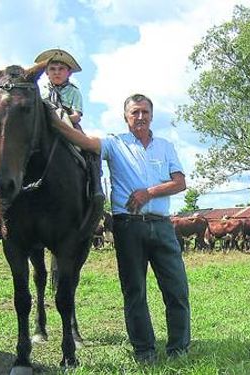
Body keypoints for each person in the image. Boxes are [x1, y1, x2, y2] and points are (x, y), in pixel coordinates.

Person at [49, 93, 190, 363]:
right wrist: (54, 121)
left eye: (145, 112)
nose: (140, 117)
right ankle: (144, 351)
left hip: (162, 226)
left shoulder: (165, 146)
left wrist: (149, 192)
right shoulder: (114, 144)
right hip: (128, 227)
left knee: (177, 290)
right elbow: (83, 142)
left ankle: (178, 350)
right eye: (134, 112)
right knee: (134, 291)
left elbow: (180, 182)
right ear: (125, 117)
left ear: (151, 115)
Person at [0, 48, 104, 206]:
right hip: (42, 124)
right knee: (6, 145)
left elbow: (77, 115)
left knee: (88, 149)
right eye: (52, 69)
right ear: (46, 72)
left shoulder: (74, 92)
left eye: (61, 69)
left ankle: (95, 187)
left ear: (69, 72)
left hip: (68, 125)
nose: (56, 73)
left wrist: (61, 117)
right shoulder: (39, 90)